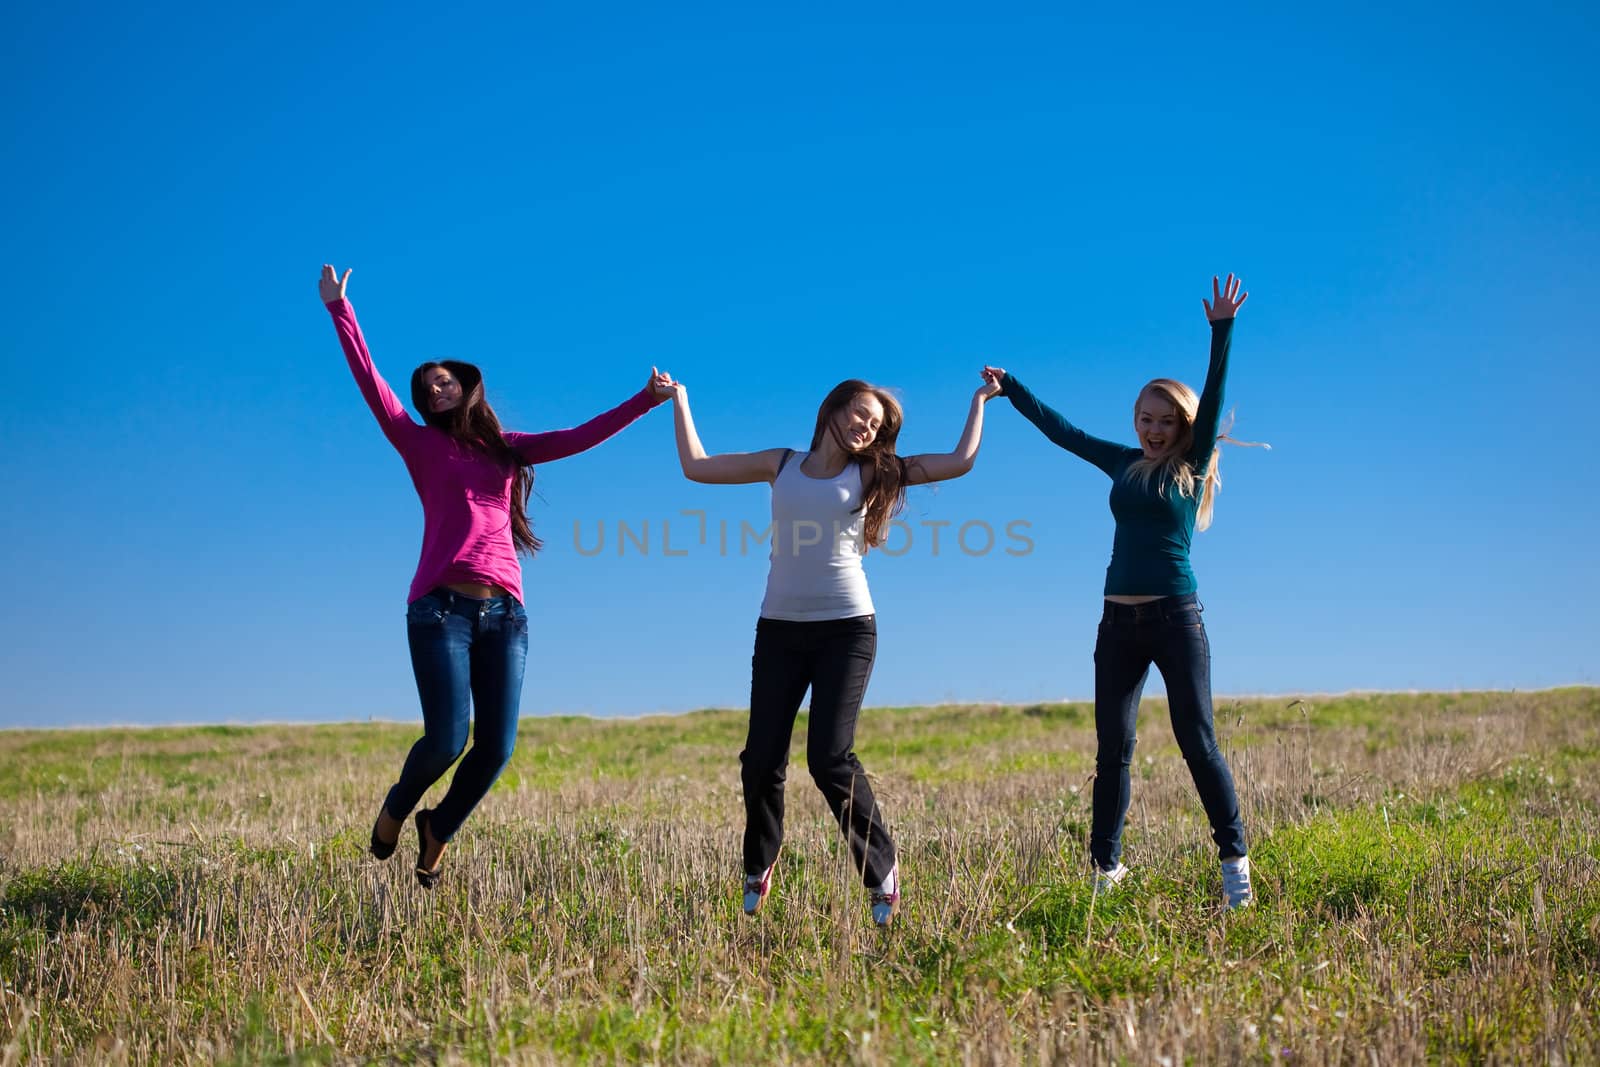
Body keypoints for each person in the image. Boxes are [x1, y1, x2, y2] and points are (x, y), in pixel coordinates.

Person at [319, 264, 674, 887]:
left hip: (505, 616)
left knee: (497, 748)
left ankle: (438, 828)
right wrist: (341, 310)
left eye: (444, 381)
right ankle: (398, 807)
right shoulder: (416, 442)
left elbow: (577, 436)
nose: (434, 391)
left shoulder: (507, 448)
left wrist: (644, 401)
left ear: (468, 386)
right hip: (438, 611)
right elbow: (373, 386)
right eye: (427, 386)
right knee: (447, 739)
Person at [667, 372, 1003, 926]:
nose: (864, 428)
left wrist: (979, 402)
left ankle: (881, 870)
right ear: (835, 408)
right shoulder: (779, 464)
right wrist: (680, 400)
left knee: (828, 757)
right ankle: (759, 863)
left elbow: (958, 461)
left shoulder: (873, 471)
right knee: (760, 759)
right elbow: (697, 467)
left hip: (847, 628)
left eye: (875, 425)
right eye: (859, 415)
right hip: (778, 628)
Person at [984, 274, 1258, 909]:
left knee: (1197, 739)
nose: (1154, 430)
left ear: (1186, 427)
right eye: (1145, 419)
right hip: (1117, 625)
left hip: (1175, 618)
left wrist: (1221, 331)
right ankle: (1105, 872)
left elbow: (1214, 399)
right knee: (1115, 749)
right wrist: (1013, 389)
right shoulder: (1121, 462)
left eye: (1167, 421)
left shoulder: (1190, 468)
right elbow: (1064, 432)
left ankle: (1235, 866)